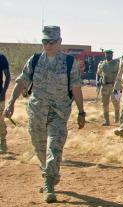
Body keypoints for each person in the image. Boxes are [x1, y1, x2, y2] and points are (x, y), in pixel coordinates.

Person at [3, 26, 86, 203]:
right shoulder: (34, 60)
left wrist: (81, 111)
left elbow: (76, 88)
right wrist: (10, 102)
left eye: (51, 41)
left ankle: (48, 184)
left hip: (59, 113)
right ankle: (50, 174)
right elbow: (21, 82)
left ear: (59, 42)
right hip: (36, 113)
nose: (47, 45)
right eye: (44, 41)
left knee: (54, 148)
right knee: (40, 148)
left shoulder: (69, 62)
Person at [96, 50, 120, 126]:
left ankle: (117, 118)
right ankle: (106, 120)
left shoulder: (117, 64)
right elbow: (98, 73)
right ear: (105, 55)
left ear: (112, 55)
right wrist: (99, 81)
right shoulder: (102, 64)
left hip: (115, 86)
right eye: (107, 54)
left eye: (110, 54)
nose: (108, 56)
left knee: (116, 102)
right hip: (105, 86)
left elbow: (120, 73)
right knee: (105, 103)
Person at [0, 53, 10, 154]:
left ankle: (3, 142)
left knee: (0, 121)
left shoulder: (1, 57)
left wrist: (3, 92)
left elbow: (8, 76)